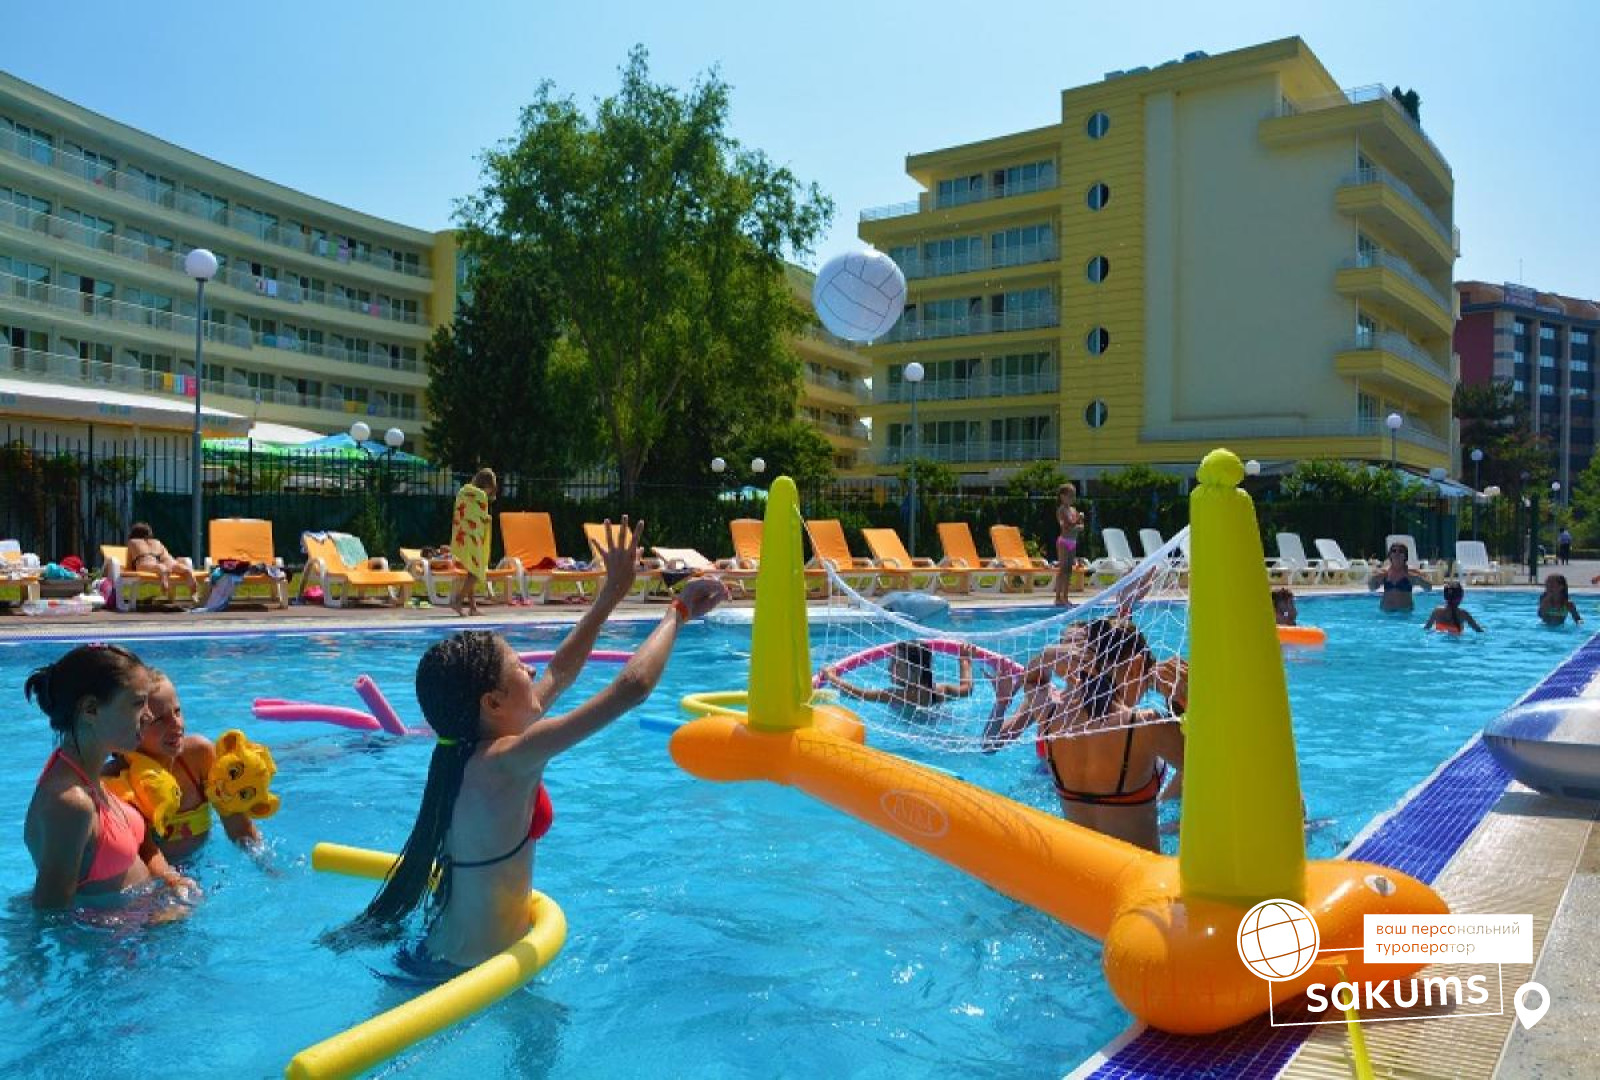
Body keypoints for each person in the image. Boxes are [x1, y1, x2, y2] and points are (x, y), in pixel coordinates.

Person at [329, 520, 729, 976]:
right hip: (467, 975)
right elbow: (631, 689)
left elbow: (560, 671)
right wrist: (677, 612)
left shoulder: (467, 751)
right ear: (493, 703)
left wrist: (611, 595)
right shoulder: (507, 760)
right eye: (519, 666)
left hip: (436, 955)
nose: (532, 670)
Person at [984, 619, 1184, 851]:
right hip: (1136, 869)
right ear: (1136, 665)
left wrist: (1048, 655)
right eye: (1146, 679)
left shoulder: (1049, 718)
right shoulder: (1145, 726)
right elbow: (1210, 768)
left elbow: (1032, 680)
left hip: (1080, 866)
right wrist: (1184, 700)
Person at [23, 644, 198, 909]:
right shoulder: (70, 804)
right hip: (123, 935)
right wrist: (155, 919)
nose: (148, 716)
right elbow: (51, 919)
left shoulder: (89, 777)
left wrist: (169, 879)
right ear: (91, 709)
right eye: (138, 704)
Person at [101, 671, 262, 858]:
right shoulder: (114, 780)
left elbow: (239, 828)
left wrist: (264, 865)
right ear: (130, 728)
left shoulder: (198, 756)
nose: (176, 724)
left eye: (177, 712)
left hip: (202, 863)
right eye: (159, 720)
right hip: (154, 873)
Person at [821, 642, 975, 708]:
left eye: (896, 664)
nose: (889, 667)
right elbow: (967, 689)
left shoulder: (895, 695)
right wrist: (964, 660)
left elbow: (859, 694)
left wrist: (832, 677)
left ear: (915, 671)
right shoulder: (942, 690)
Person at [449, 468, 497, 617]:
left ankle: (473, 607)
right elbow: (481, 517)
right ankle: (458, 601)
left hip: (461, 537)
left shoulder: (463, 492)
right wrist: (488, 519)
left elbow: (463, 512)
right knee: (475, 573)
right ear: (487, 485)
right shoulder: (481, 495)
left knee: (471, 570)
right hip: (473, 537)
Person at [126, 522, 201, 599]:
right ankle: (185, 570)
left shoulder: (132, 542)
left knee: (156, 566)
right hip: (163, 558)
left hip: (146, 559)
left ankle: (163, 571)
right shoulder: (157, 542)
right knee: (172, 565)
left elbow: (129, 565)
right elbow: (166, 557)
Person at [1367, 543, 1433, 613]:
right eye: (1394, 551)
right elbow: (1372, 588)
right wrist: (1374, 579)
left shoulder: (1412, 571)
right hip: (1386, 612)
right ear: (1390, 555)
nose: (1397, 553)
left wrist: (1417, 578)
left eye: (1401, 551)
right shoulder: (1384, 572)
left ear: (1405, 556)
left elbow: (1429, 588)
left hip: (1404, 612)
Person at [1054, 484, 1083, 607]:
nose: (1072, 498)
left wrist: (1078, 522)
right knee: (1063, 569)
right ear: (1062, 496)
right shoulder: (1061, 510)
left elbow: (1080, 526)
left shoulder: (1073, 510)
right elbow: (1068, 525)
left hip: (1072, 542)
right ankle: (1058, 598)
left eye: (1073, 496)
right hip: (1064, 542)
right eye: (1070, 495)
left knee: (1069, 570)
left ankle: (1065, 597)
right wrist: (1078, 521)